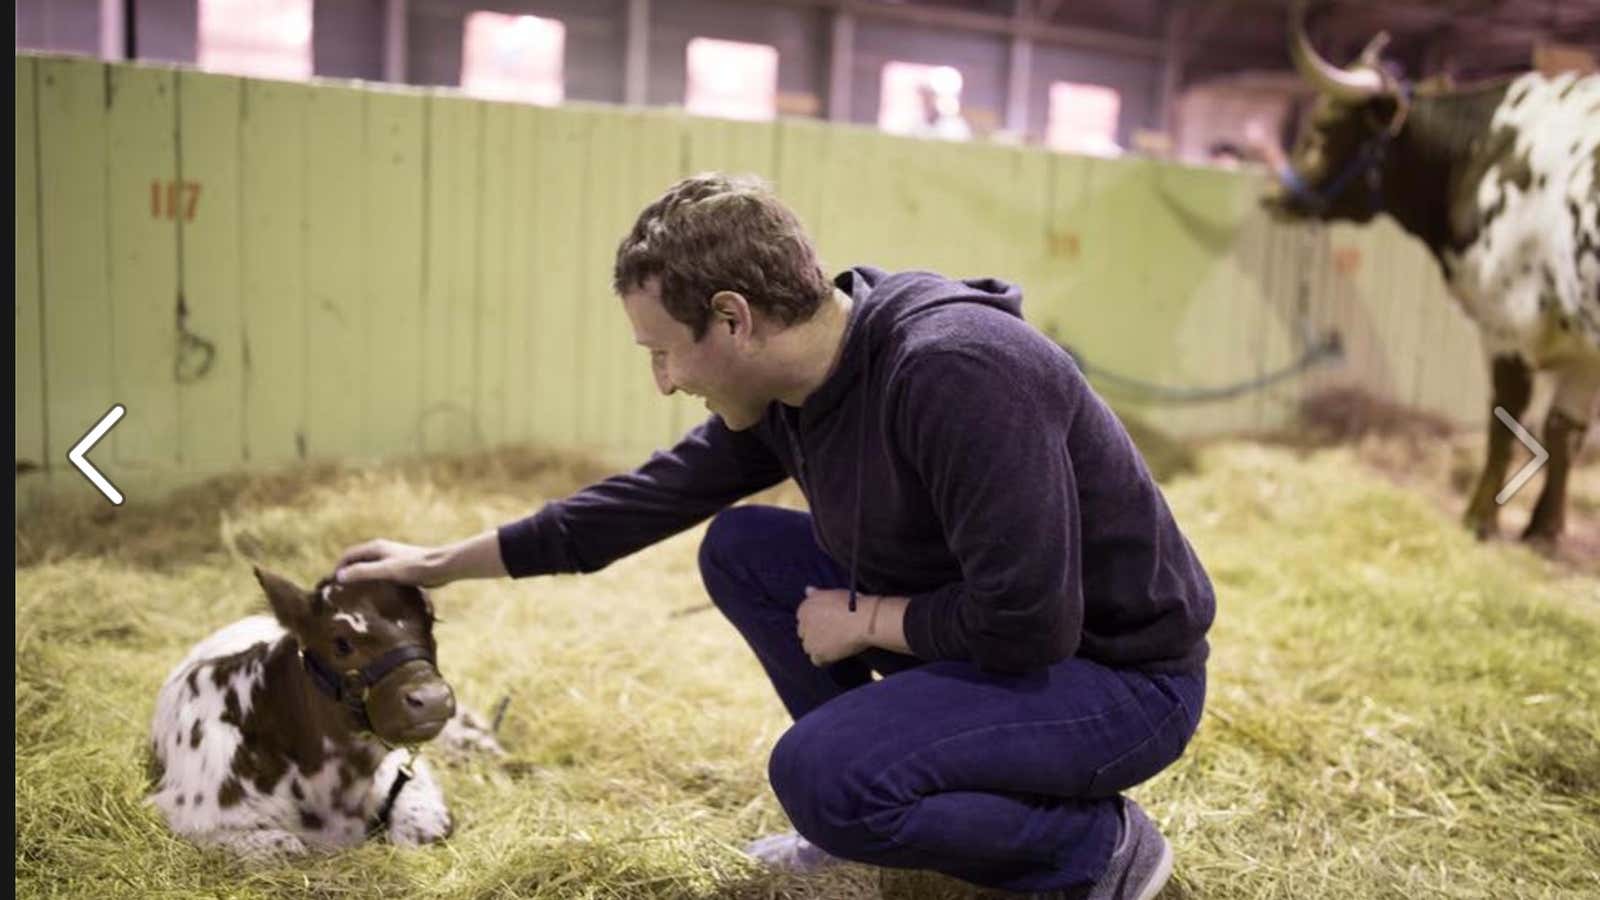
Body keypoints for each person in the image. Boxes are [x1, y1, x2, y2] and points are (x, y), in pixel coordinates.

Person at [335, 172, 1215, 899]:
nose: (665, 381)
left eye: (662, 351)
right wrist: (437, 564)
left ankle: (1092, 850)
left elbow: (1030, 624)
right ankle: (882, 814)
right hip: (999, 644)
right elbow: (640, 503)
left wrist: (866, 619)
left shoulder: (956, 370)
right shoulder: (796, 394)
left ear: (733, 317)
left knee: (820, 776)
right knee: (743, 549)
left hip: (1116, 681)